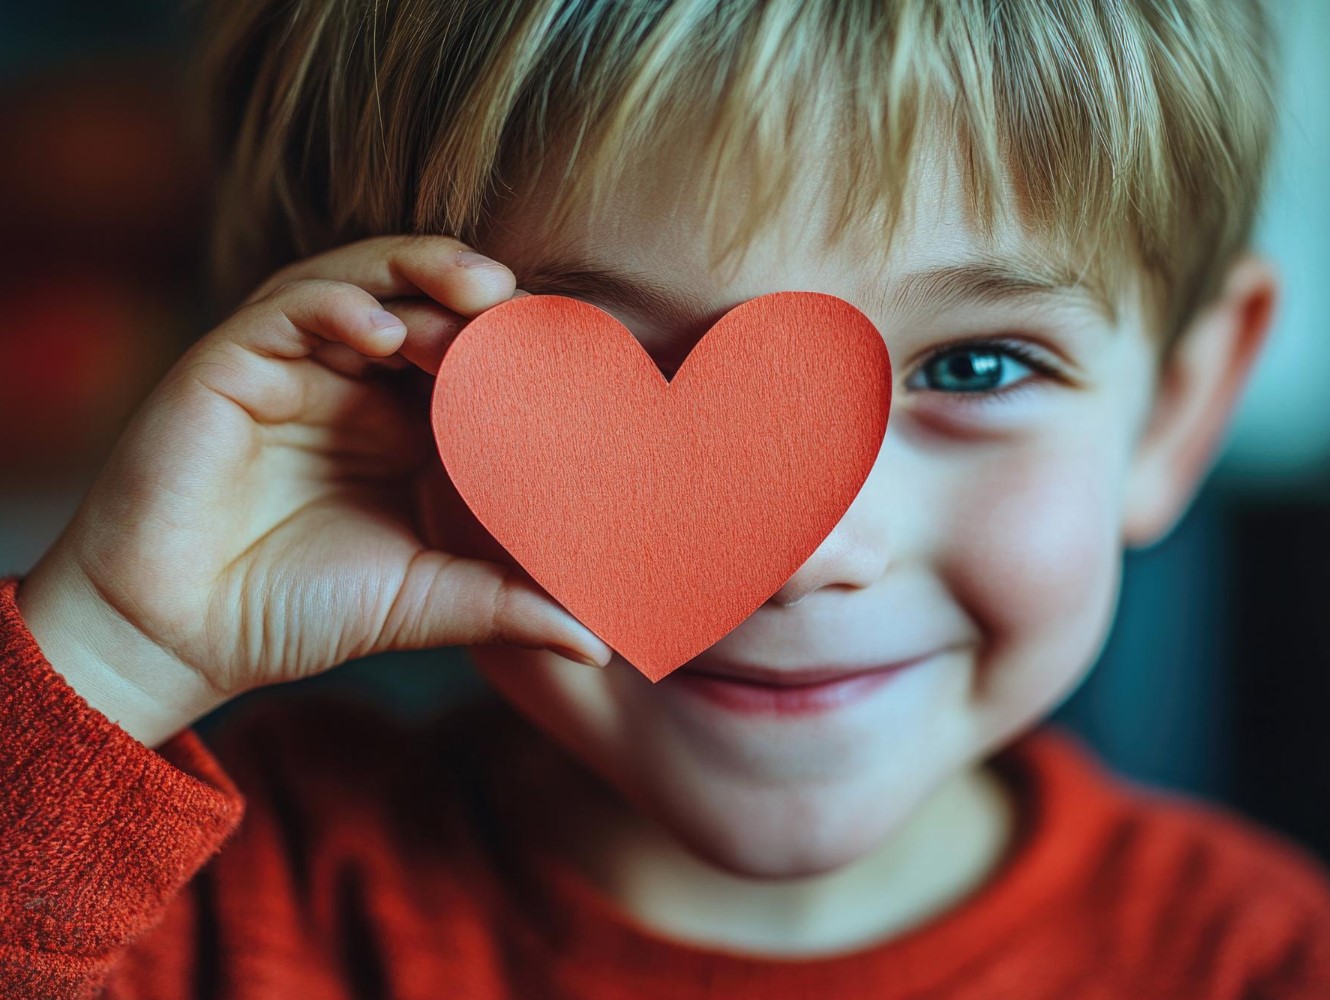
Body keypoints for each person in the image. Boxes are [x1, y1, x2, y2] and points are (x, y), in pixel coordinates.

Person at [4, 0, 1328, 996]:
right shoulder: (174, 913)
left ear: (1173, 409)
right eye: (618, 359)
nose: (805, 551)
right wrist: (115, 647)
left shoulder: (1261, 964)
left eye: (976, 366)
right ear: (363, 384)